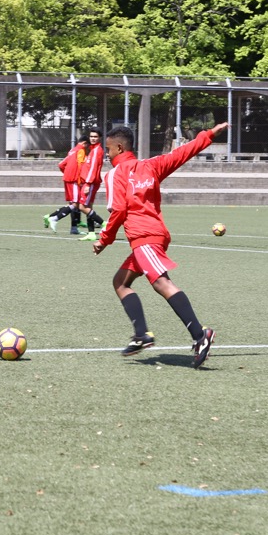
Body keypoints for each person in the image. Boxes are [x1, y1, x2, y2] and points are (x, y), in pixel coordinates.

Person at [92, 123, 229, 369]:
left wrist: (104, 239)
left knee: (161, 283)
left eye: (109, 149)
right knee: (120, 282)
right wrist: (208, 135)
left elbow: (119, 210)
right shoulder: (150, 166)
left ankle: (200, 334)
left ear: (120, 147)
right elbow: (181, 154)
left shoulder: (114, 174)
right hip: (154, 236)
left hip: (144, 237)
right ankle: (141, 335)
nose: (107, 155)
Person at [43, 137, 89, 234]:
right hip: (74, 180)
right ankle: (54, 218)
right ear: (85, 143)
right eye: (87, 145)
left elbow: (61, 164)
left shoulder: (72, 150)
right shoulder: (81, 150)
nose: (88, 147)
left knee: (73, 204)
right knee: (76, 204)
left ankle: (72, 227)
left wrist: (68, 173)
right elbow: (80, 166)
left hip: (68, 179)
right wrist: (81, 179)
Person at [77, 127, 106, 242]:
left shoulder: (97, 151)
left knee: (82, 207)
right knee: (88, 207)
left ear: (100, 138)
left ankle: (104, 223)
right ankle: (91, 233)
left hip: (91, 182)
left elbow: (93, 168)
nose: (93, 138)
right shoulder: (93, 149)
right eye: (91, 136)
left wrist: (88, 184)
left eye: (95, 137)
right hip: (88, 182)